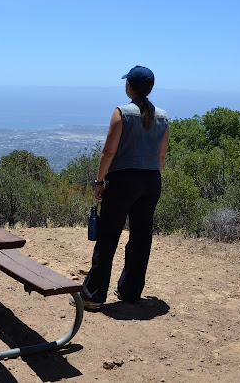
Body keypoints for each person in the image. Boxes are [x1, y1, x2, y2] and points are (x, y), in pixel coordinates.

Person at [76, 65, 169, 310]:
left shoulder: (122, 112)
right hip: (151, 181)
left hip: (123, 180)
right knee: (141, 237)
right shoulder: (162, 116)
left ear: (130, 86)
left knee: (108, 236)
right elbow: (161, 156)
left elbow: (108, 151)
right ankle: (130, 292)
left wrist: (99, 181)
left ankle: (93, 295)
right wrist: (150, 179)